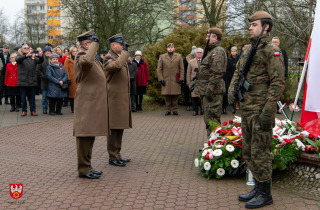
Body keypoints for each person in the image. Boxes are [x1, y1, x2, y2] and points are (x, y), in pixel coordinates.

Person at [228, 11, 285, 208]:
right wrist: (231, 91)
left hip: (261, 109)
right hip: (247, 108)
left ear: (266, 27)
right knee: (249, 150)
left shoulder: (271, 50)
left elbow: (278, 83)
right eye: (250, 24)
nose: (250, 27)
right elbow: (238, 72)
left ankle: (265, 193)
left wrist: (268, 111)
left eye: (254, 24)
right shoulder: (248, 50)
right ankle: (258, 187)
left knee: (261, 151)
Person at [74, 30, 109, 179]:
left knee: (90, 134)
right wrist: (95, 44)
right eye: (92, 42)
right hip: (86, 101)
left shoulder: (90, 55)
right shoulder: (81, 55)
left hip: (92, 101)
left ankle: (88, 166)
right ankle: (83, 169)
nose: (95, 45)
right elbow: (86, 63)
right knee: (84, 135)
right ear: (87, 44)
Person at [191, 28, 227, 137]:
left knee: (212, 120)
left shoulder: (218, 51)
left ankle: (216, 146)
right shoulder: (211, 51)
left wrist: (210, 89)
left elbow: (217, 73)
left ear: (215, 38)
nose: (206, 38)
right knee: (208, 119)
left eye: (208, 36)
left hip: (212, 92)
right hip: (207, 90)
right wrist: (196, 81)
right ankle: (212, 143)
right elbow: (205, 71)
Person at [103, 33, 132, 167]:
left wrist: (123, 54)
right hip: (114, 99)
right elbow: (117, 66)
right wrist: (125, 54)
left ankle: (118, 153)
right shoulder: (109, 58)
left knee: (120, 128)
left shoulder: (119, 57)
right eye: (121, 44)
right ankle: (112, 156)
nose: (123, 47)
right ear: (113, 45)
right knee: (114, 128)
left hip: (121, 99)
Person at [16, 44, 44, 116]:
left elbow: (40, 61)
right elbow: (17, 59)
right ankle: (24, 110)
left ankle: (33, 110)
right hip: (23, 80)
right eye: (24, 48)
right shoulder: (19, 56)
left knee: (32, 97)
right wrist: (26, 56)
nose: (26, 49)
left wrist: (41, 57)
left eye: (27, 48)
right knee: (23, 97)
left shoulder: (33, 57)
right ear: (21, 50)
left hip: (32, 80)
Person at [157, 43, 184, 116]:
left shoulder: (179, 56)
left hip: (175, 79)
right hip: (166, 79)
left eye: (172, 47)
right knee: (167, 95)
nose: (170, 48)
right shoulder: (162, 57)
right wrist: (161, 79)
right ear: (167, 49)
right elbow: (159, 69)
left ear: (174, 48)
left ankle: (175, 109)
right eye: (169, 47)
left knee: (175, 95)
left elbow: (182, 68)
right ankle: (168, 109)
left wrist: (181, 78)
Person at [272, 36, 288, 114]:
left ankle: (279, 109)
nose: (274, 43)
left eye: (276, 42)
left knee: (278, 92)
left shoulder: (283, 51)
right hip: (271, 75)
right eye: (273, 42)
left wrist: (285, 74)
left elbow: (286, 63)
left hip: (280, 75)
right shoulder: (269, 51)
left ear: (279, 43)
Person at [186, 48, 203, 116]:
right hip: (194, 82)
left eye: (200, 52)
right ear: (195, 54)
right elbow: (188, 72)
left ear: (202, 53)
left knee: (202, 97)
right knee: (194, 97)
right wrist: (188, 82)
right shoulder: (191, 61)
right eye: (197, 52)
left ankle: (202, 110)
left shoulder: (205, 61)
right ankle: (195, 110)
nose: (199, 53)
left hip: (203, 82)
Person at [36, 46, 52, 114]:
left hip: (52, 81)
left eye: (49, 51)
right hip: (44, 80)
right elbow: (38, 70)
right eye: (46, 51)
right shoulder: (41, 59)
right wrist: (43, 76)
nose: (47, 52)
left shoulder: (53, 59)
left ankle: (51, 109)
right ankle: (44, 108)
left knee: (51, 96)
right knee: (44, 96)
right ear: (44, 52)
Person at [182, 46, 196, 111]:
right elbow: (183, 69)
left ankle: (194, 106)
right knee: (187, 93)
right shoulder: (185, 59)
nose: (194, 56)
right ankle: (187, 105)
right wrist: (184, 78)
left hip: (194, 78)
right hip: (186, 78)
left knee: (193, 93)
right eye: (193, 55)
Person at [64, 46, 78, 113]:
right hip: (72, 79)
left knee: (78, 94)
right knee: (72, 94)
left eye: (76, 51)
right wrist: (68, 78)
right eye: (74, 51)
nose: (75, 52)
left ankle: (78, 107)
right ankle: (73, 108)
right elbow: (66, 69)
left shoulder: (78, 58)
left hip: (78, 78)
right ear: (71, 52)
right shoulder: (67, 59)